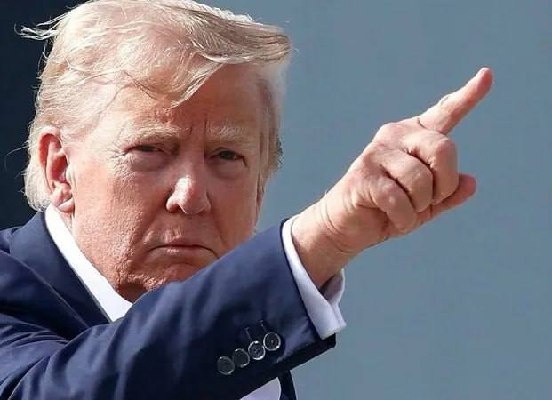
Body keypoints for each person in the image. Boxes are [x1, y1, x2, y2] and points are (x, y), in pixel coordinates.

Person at [0, 0, 492, 399]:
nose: (191, 196)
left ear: (261, 185)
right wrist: (322, 237)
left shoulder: (245, 351)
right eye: (151, 150)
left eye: (226, 156)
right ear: (59, 168)